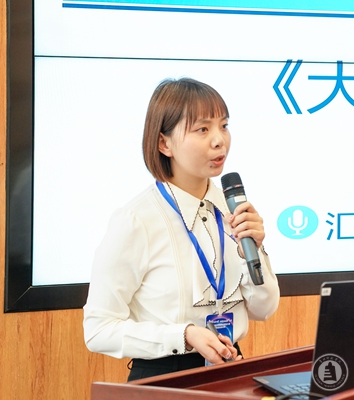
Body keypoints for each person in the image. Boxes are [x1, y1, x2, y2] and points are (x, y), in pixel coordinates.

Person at [83, 77, 280, 381]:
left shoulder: (232, 211)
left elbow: (264, 309)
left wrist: (252, 250)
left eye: (224, 126)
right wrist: (184, 336)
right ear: (164, 143)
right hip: (165, 377)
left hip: (229, 369)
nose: (219, 140)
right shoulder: (136, 220)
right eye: (203, 129)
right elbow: (98, 330)